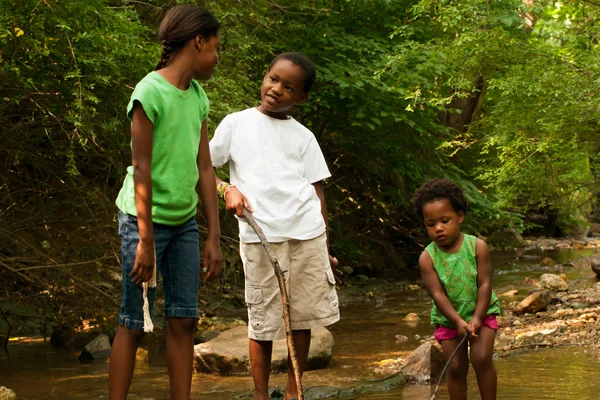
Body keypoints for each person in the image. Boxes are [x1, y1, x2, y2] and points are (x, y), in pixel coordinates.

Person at [210, 52, 342, 400]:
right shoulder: (236, 124)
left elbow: (317, 191)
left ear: (301, 98)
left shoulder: (304, 137)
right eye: (273, 79)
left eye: (288, 87)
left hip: (306, 235)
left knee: (301, 318)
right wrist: (227, 188)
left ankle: (294, 390)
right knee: (263, 322)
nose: (276, 89)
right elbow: (202, 168)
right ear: (265, 77)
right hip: (260, 235)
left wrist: (325, 248)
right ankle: (259, 393)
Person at [108, 5, 223, 400]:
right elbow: (141, 168)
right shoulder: (149, 92)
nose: (217, 57)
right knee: (134, 321)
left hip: (184, 223)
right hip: (142, 222)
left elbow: (205, 168)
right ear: (198, 42)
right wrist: (144, 240)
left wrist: (214, 236)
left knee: (183, 320)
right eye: (216, 48)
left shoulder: (198, 96)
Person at [412, 179, 500, 400]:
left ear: (459, 216)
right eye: (430, 224)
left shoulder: (477, 247)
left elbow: (485, 284)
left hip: (483, 311)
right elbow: (437, 294)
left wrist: (477, 317)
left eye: (444, 220)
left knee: (481, 359)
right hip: (448, 319)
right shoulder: (427, 258)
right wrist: (457, 321)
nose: (438, 228)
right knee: (456, 367)